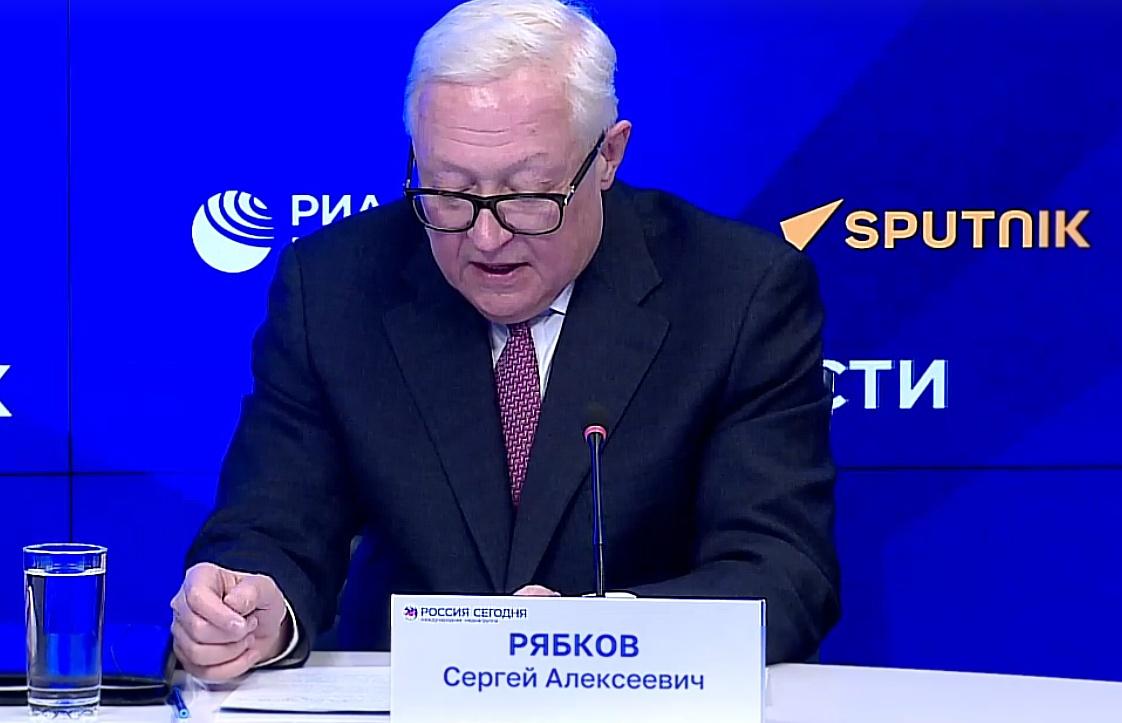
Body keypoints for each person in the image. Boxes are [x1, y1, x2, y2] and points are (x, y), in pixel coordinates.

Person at [170, 0, 839, 682]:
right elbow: (273, 525)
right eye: (449, 193)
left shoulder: (739, 294)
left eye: (526, 195)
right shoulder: (336, 288)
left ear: (607, 156)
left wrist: (604, 635)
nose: (486, 237)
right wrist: (251, 605)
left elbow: (781, 569)